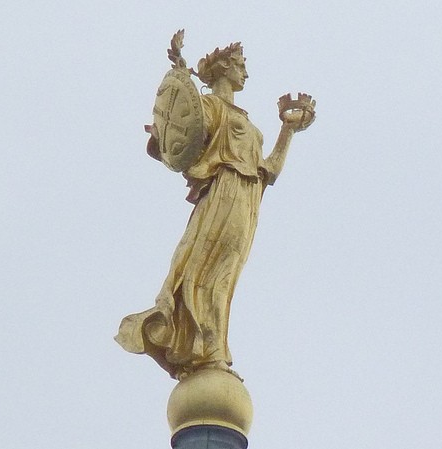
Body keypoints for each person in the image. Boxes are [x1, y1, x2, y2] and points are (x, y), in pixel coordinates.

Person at [115, 42, 313, 380]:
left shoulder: (245, 121)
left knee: (226, 276)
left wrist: (288, 130)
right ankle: (209, 351)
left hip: (248, 197)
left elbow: (270, 171)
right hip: (224, 190)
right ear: (222, 68)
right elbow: (179, 129)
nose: (245, 72)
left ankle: (208, 348)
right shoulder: (210, 107)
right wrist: (180, 76)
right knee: (208, 273)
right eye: (239, 64)